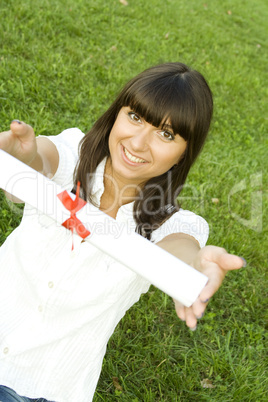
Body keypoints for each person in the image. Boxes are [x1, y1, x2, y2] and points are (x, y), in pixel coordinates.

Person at [0, 62, 245, 402]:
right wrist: (20, 160)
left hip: (45, 390)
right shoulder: (72, 155)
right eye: (135, 117)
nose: (139, 143)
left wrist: (194, 266)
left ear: (183, 153)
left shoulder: (172, 224)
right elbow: (38, 162)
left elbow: (181, 251)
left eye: (166, 134)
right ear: (117, 114)